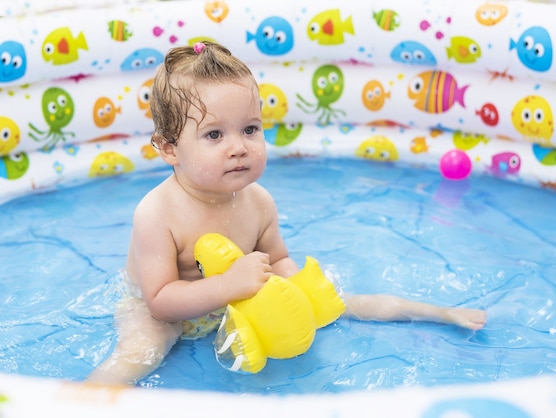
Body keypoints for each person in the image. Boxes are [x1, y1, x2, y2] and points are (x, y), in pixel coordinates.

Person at [86, 41, 487, 386]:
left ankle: (436, 312)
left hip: (237, 298)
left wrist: (297, 289)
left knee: (336, 302)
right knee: (141, 352)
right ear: (169, 148)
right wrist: (228, 288)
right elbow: (159, 300)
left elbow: (277, 259)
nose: (239, 147)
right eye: (214, 135)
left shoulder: (258, 201)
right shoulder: (157, 213)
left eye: (250, 129)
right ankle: (78, 400)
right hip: (165, 314)